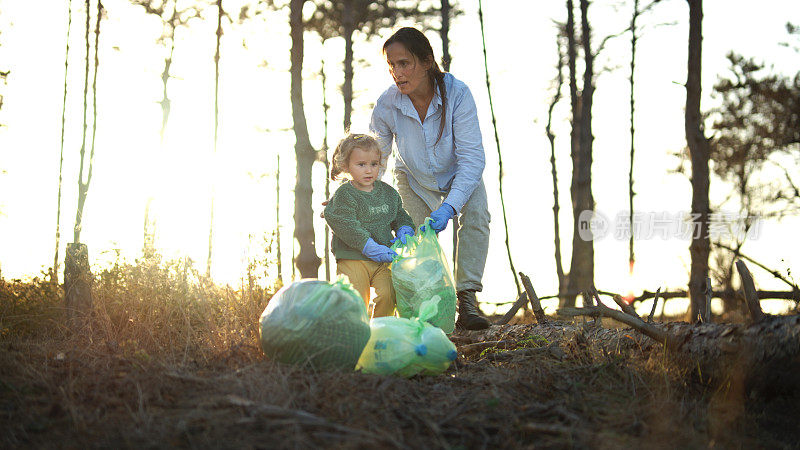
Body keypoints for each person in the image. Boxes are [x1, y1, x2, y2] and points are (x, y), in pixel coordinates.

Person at [370, 26, 491, 330]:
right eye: (391, 66)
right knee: (417, 241)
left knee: (476, 215)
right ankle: (429, 309)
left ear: (426, 61)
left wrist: (450, 207)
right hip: (412, 178)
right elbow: (376, 158)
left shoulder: (458, 94)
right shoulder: (387, 103)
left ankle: (466, 300)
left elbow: (473, 158)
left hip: (459, 174)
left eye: (404, 63)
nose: (397, 73)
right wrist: (351, 192)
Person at [324, 133, 416, 318]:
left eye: (374, 164)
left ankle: (381, 333)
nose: (368, 170)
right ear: (346, 166)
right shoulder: (345, 195)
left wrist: (404, 229)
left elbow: (399, 215)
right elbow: (347, 226)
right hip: (353, 257)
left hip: (383, 259)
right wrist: (370, 247)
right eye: (361, 164)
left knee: (389, 294)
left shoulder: (388, 193)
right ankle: (356, 336)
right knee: (356, 301)